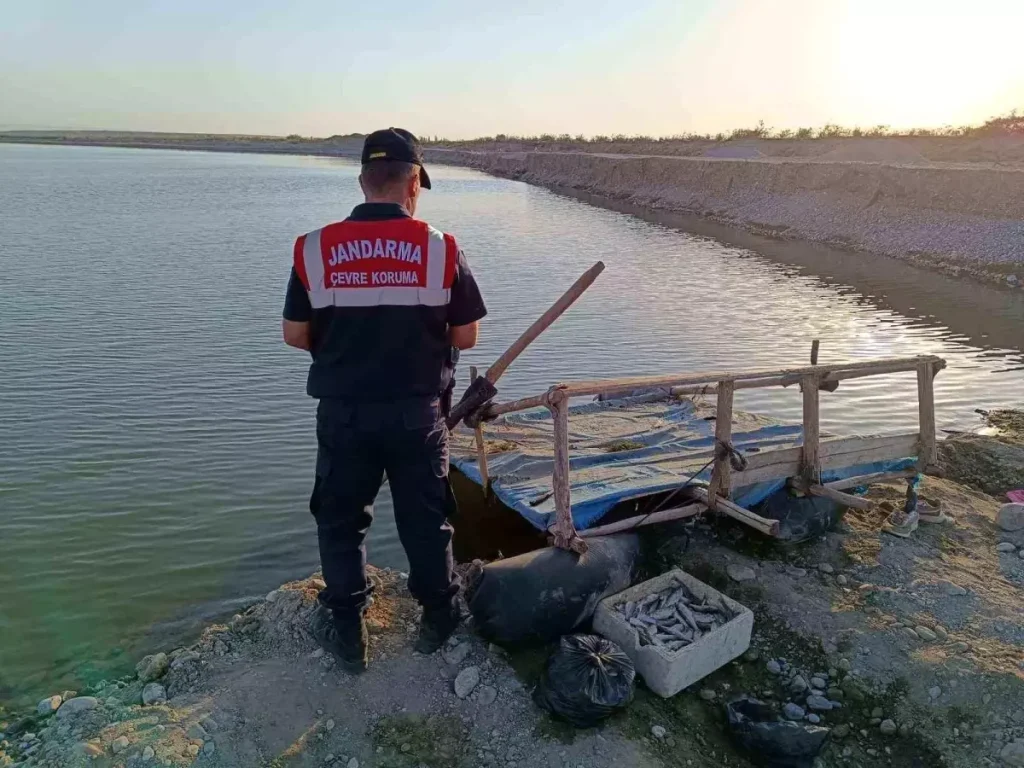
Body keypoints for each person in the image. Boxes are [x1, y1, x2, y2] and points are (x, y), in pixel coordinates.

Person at [281, 128, 487, 672]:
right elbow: (466, 337)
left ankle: (348, 632)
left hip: (344, 413)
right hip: (417, 415)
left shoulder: (315, 247)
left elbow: (294, 334)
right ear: (413, 182)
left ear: (362, 181)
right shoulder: (442, 247)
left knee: (342, 519)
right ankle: (439, 617)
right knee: (425, 519)